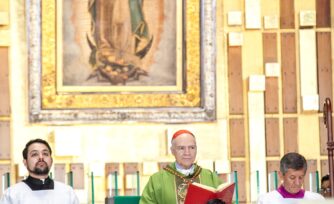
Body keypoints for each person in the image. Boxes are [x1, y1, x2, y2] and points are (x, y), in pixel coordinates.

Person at [139, 130, 223, 204]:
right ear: (172, 151)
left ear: (196, 149)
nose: (187, 153)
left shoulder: (210, 177)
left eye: (192, 147)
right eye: (181, 148)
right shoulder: (157, 180)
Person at [0, 139, 79, 204]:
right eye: (34, 154)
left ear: (51, 160)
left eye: (45, 153)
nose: (41, 157)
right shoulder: (12, 194)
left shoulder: (67, 192)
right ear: (25, 162)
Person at [257, 152, 325, 203]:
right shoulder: (266, 200)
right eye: (292, 178)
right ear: (281, 175)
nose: (297, 183)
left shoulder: (316, 200)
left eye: (301, 177)